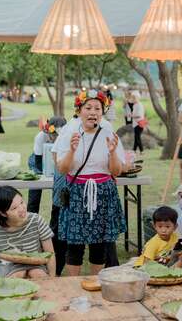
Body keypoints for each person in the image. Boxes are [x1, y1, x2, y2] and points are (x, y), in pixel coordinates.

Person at [56, 89, 126, 276]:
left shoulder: (109, 132)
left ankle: (96, 281)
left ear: (102, 113)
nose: (93, 112)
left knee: (99, 243)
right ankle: (73, 286)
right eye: (88, 107)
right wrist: (71, 150)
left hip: (104, 191)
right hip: (77, 192)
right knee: (75, 243)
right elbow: (62, 169)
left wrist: (112, 153)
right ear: (79, 111)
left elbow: (117, 171)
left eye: (98, 108)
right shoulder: (69, 132)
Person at [0, 186, 55, 280]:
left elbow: (50, 254)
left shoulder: (36, 221)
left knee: (38, 274)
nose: (22, 209)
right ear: (3, 213)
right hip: (6, 267)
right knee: (18, 275)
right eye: (14, 208)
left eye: (22, 202)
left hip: (36, 265)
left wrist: (52, 279)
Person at [27, 116, 67, 213]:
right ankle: (32, 218)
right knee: (35, 192)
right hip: (38, 161)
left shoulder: (66, 138)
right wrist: (46, 175)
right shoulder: (40, 137)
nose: (55, 139)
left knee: (58, 192)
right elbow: (38, 161)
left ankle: (55, 222)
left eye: (57, 137)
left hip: (57, 162)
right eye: (53, 136)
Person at [131, 90, 145, 155]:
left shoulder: (139, 105)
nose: (133, 99)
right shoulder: (135, 105)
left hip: (139, 123)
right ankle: (134, 150)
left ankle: (141, 150)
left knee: (137, 137)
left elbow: (139, 115)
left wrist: (132, 116)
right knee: (136, 137)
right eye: (132, 98)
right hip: (135, 123)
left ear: (137, 98)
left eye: (134, 98)